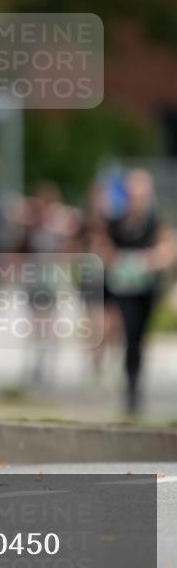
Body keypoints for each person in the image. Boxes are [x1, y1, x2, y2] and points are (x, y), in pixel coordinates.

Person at [99, 169, 177, 413]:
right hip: (120, 288)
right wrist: (118, 260)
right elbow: (102, 247)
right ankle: (128, 384)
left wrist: (147, 260)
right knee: (128, 331)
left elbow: (167, 251)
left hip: (146, 289)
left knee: (138, 337)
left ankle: (134, 383)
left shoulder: (155, 222)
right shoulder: (116, 222)